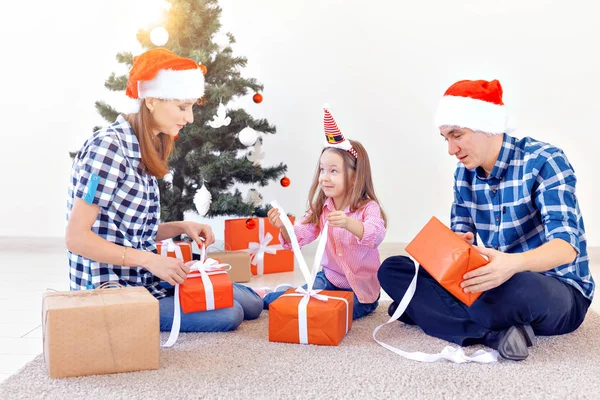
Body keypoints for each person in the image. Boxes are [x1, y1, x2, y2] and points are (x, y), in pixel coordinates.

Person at [378, 79, 594, 360]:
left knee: (508, 290)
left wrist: (511, 265)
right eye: (446, 138)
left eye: (457, 135)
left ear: (487, 126)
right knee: (393, 270)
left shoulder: (545, 160)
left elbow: (566, 247)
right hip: (491, 280)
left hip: (555, 288)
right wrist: (457, 246)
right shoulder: (464, 174)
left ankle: (426, 312)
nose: (451, 150)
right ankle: (494, 334)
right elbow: (462, 234)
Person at [65, 48, 262, 332]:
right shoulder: (108, 148)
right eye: (183, 107)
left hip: (146, 278)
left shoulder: (148, 143)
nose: (191, 118)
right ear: (152, 100)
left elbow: (129, 231)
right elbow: (76, 238)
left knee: (252, 305)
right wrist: (151, 261)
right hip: (113, 289)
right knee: (229, 314)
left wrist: (181, 226)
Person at [261, 106, 387, 320]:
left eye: (333, 171)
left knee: (330, 315)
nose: (324, 177)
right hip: (328, 279)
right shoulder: (322, 206)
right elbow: (301, 234)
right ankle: (257, 296)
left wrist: (348, 223)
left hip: (361, 291)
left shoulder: (368, 207)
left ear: (356, 177)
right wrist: (284, 226)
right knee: (282, 302)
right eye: (322, 169)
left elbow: (376, 235)